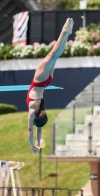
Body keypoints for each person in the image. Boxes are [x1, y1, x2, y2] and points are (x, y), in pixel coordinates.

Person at [26, 18, 74, 153]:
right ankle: (64, 31)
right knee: (52, 54)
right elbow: (31, 130)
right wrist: (32, 145)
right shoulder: (32, 111)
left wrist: (38, 143)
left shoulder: (40, 109)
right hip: (39, 81)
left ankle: (67, 35)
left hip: (47, 82)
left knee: (56, 56)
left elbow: (39, 128)